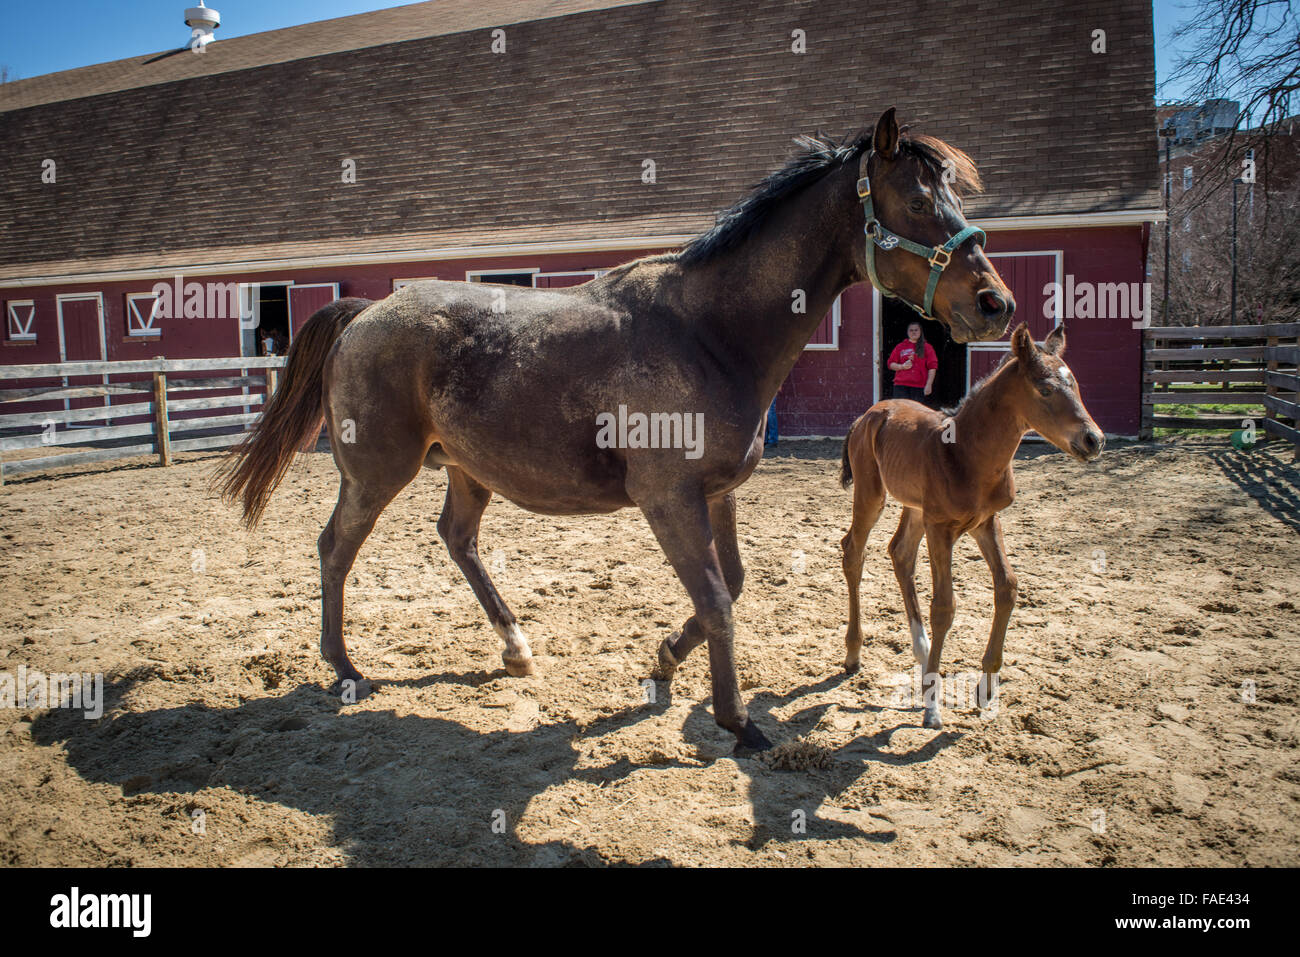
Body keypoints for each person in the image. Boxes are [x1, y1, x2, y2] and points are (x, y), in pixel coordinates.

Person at [887, 321, 938, 403]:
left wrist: (929, 384)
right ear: (907, 332)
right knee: (901, 412)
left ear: (920, 332)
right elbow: (890, 364)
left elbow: (932, 367)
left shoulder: (927, 347)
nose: (913, 332)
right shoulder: (900, 346)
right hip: (901, 386)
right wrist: (902, 366)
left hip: (919, 386)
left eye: (916, 330)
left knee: (917, 414)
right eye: (911, 330)